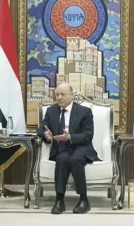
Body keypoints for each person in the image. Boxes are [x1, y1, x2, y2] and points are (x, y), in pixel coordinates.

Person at [37, 83, 98, 215]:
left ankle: (84, 200)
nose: (59, 97)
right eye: (57, 94)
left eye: (63, 94)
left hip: (81, 147)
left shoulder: (84, 112)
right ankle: (59, 200)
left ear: (71, 95)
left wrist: (70, 137)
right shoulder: (52, 111)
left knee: (75, 159)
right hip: (63, 148)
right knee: (62, 159)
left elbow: (88, 135)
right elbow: (41, 129)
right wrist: (46, 135)